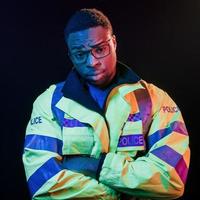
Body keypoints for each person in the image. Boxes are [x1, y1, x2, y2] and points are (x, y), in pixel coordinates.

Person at [22, 8, 190, 200]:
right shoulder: (49, 103)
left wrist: (96, 166)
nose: (92, 62)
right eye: (80, 54)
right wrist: (122, 192)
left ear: (114, 43)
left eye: (100, 49)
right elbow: (43, 183)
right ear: (70, 56)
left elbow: (171, 179)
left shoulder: (155, 100)